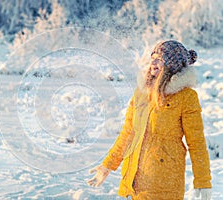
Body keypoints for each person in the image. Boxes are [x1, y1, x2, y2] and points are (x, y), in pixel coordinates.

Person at [87, 40, 212, 199]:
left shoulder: (186, 97)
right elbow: (128, 134)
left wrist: (203, 180)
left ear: (172, 65)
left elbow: (197, 142)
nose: (153, 62)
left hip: (163, 183)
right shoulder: (141, 93)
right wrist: (108, 165)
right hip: (134, 179)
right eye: (153, 57)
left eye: (160, 59)